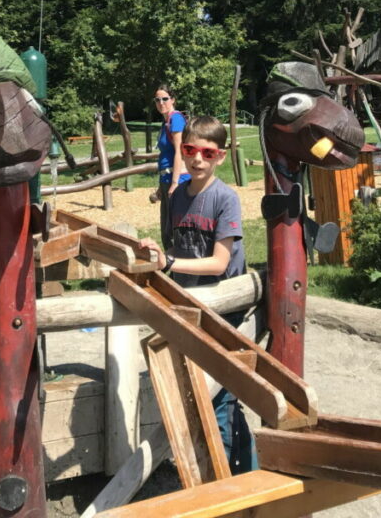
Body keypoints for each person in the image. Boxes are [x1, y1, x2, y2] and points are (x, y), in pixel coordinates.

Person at [140, 115, 257, 474]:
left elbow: (220, 263)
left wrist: (169, 263)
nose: (197, 159)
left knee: (218, 399)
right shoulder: (177, 198)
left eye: (207, 152)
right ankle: (245, 471)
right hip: (192, 306)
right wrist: (156, 256)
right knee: (207, 394)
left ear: (220, 156)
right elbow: (174, 249)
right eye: (190, 150)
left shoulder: (225, 199)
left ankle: (221, 481)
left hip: (225, 310)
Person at [150, 83, 190, 250]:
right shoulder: (165, 122)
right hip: (166, 179)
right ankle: (171, 267)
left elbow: (180, 151)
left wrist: (174, 183)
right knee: (166, 230)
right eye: (157, 99)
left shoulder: (176, 119)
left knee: (176, 228)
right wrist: (162, 186)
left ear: (172, 99)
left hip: (178, 179)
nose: (161, 102)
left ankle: (182, 267)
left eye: (165, 99)